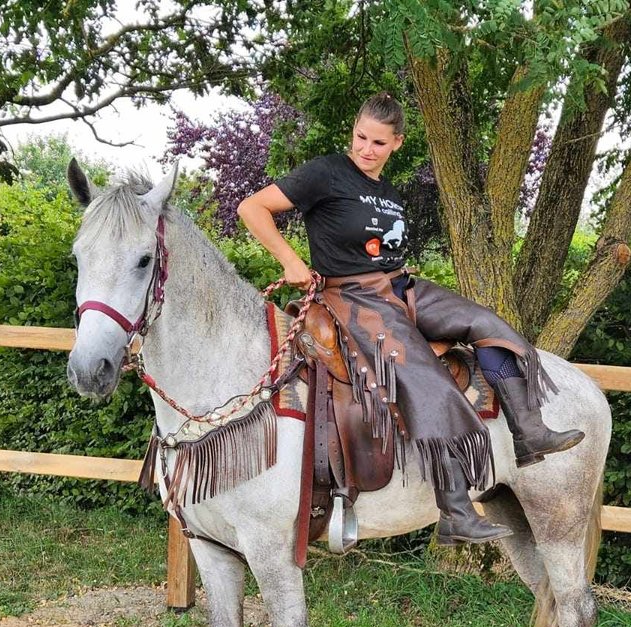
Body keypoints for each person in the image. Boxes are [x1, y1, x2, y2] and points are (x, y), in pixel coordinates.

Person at [237, 92, 584, 544]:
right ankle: (456, 511)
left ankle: (530, 434)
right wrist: (289, 260)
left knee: (488, 325)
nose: (366, 149)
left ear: (396, 144)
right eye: (361, 138)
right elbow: (252, 207)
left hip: (401, 288)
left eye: (378, 143)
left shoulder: (388, 193)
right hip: (354, 298)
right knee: (426, 379)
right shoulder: (325, 173)